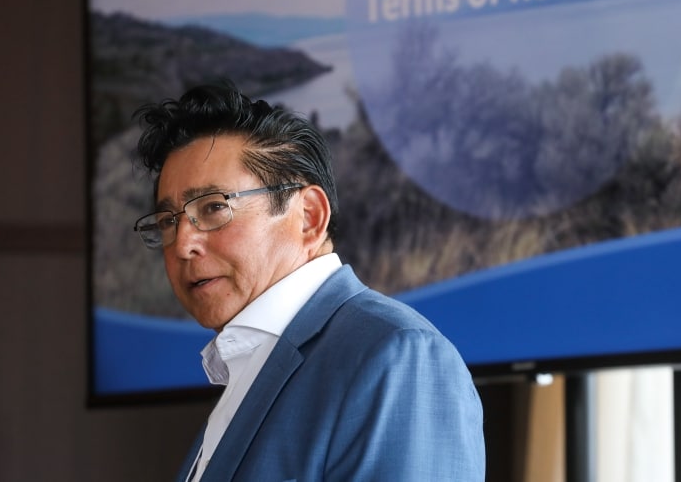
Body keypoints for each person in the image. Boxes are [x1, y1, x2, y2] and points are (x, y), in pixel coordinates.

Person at [132, 81, 485, 481]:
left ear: (310, 217)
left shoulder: (399, 355)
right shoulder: (248, 370)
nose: (182, 244)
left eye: (214, 207)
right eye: (167, 222)